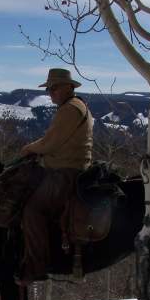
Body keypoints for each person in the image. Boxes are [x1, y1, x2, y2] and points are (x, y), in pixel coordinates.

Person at [16, 68, 94, 286]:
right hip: (73, 168)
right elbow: (55, 137)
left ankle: (36, 265)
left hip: (65, 172)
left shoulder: (69, 109)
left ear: (69, 87)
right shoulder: (78, 106)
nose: (51, 92)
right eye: (49, 88)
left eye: (54, 88)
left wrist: (29, 149)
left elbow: (51, 142)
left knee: (32, 210)